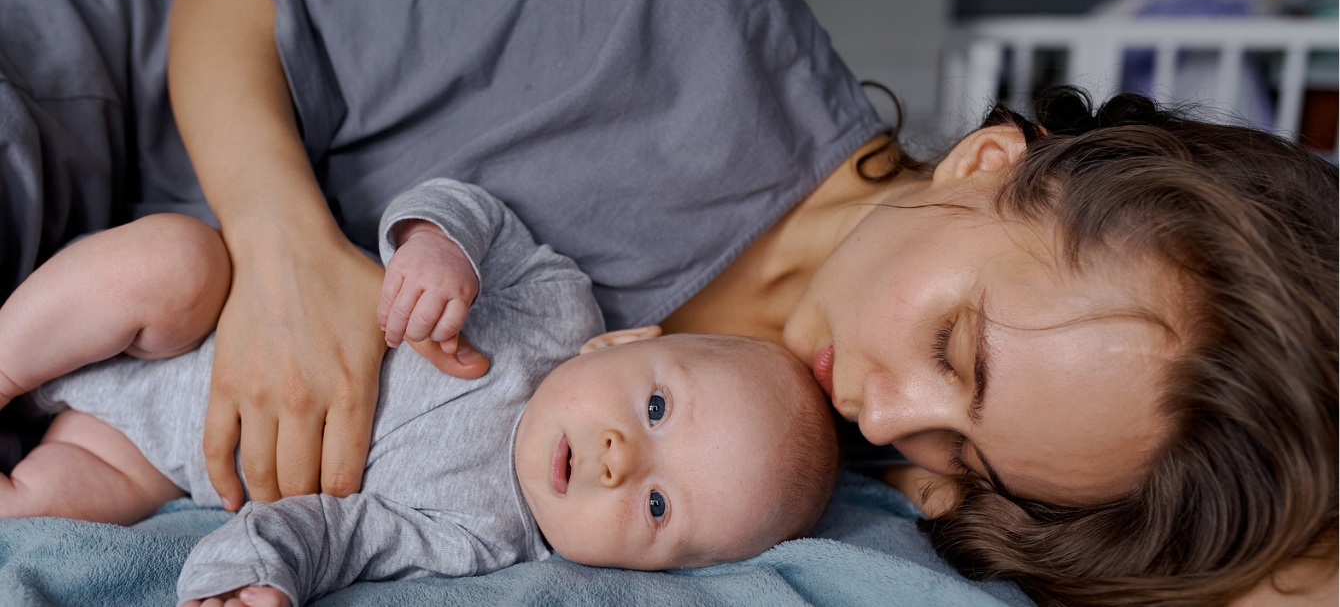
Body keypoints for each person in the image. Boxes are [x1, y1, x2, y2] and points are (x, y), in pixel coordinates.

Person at [0, 0, 1333, 604]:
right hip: (96, 127)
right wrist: (285, 250)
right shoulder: (675, 10)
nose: (889, 411)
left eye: (971, 451)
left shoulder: (846, 466)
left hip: (115, 419)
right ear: (990, 162)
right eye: (956, 349)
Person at [0, 178, 839, 607]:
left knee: (56, 507)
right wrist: (439, 249)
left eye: (659, 509)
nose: (621, 460)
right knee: (172, 262)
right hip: (202, 319)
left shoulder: (481, 539)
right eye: (656, 409)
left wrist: (253, 574)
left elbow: (338, 530)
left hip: (156, 457)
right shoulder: (554, 310)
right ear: (622, 343)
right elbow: (476, 210)